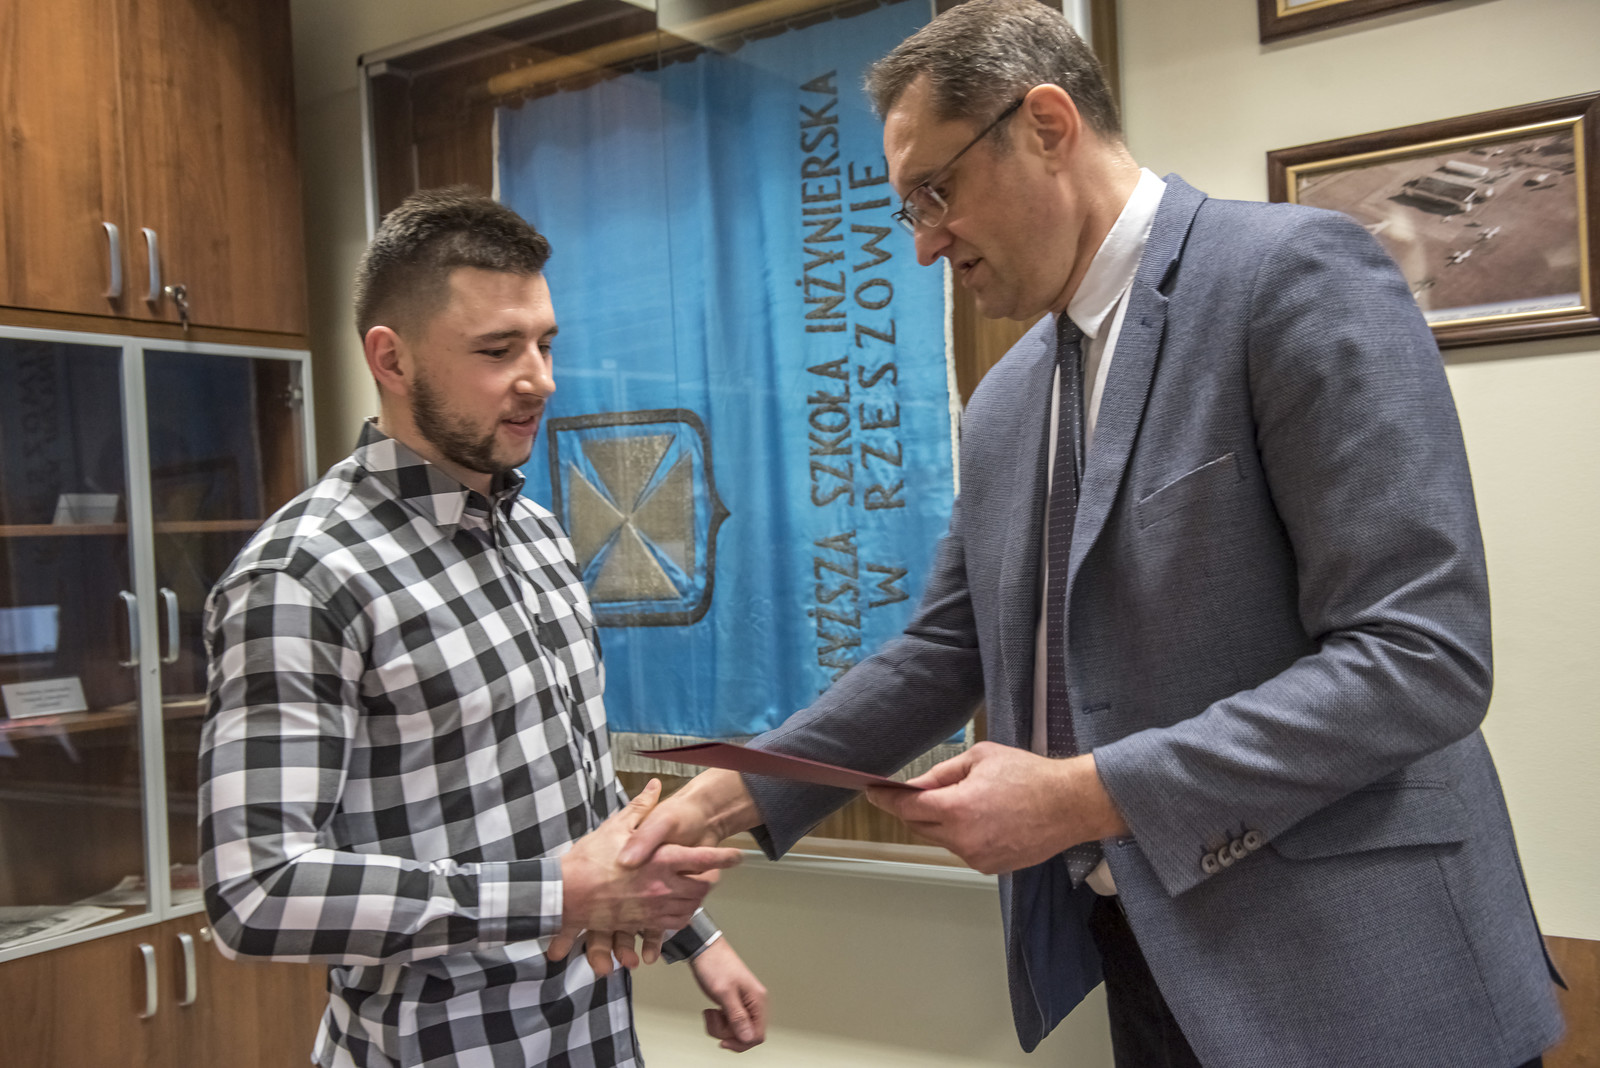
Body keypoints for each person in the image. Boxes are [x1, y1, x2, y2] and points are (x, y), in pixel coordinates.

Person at [619, 2, 1564, 1065]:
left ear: (1048, 126)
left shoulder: (1290, 275)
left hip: (1368, 978)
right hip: (1151, 963)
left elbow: (1421, 659)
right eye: (907, 210)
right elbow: (946, 649)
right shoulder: (1008, 398)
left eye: (936, 192)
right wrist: (728, 795)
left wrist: (1082, 796)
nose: (924, 242)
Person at [198, 188, 767, 1068]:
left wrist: (696, 937)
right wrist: (555, 895)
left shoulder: (536, 533)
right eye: (498, 350)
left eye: (545, 343)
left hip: (593, 1035)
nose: (540, 379)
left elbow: (566, 790)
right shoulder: (303, 577)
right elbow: (256, 890)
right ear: (391, 358)